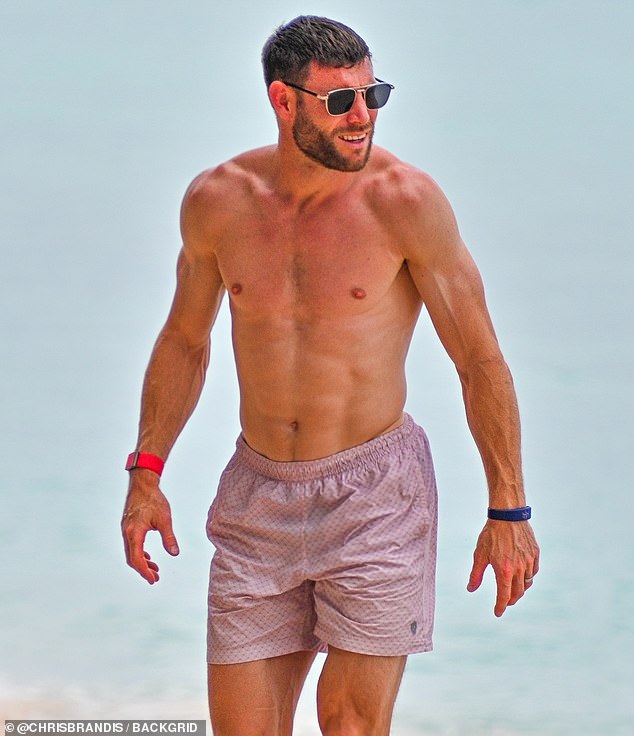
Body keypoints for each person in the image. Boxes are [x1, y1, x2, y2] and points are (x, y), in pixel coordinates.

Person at [121, 15, 539, 736]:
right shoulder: (218, 201)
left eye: (373, 95)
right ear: (284, 101)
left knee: (347, 723)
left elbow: (479, 361)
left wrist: (509, 512)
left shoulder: (406, 202)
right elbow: (184, 341)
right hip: (258, 495)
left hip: (375, 494)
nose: (362, 116)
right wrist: (146, 472)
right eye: (340, 101)